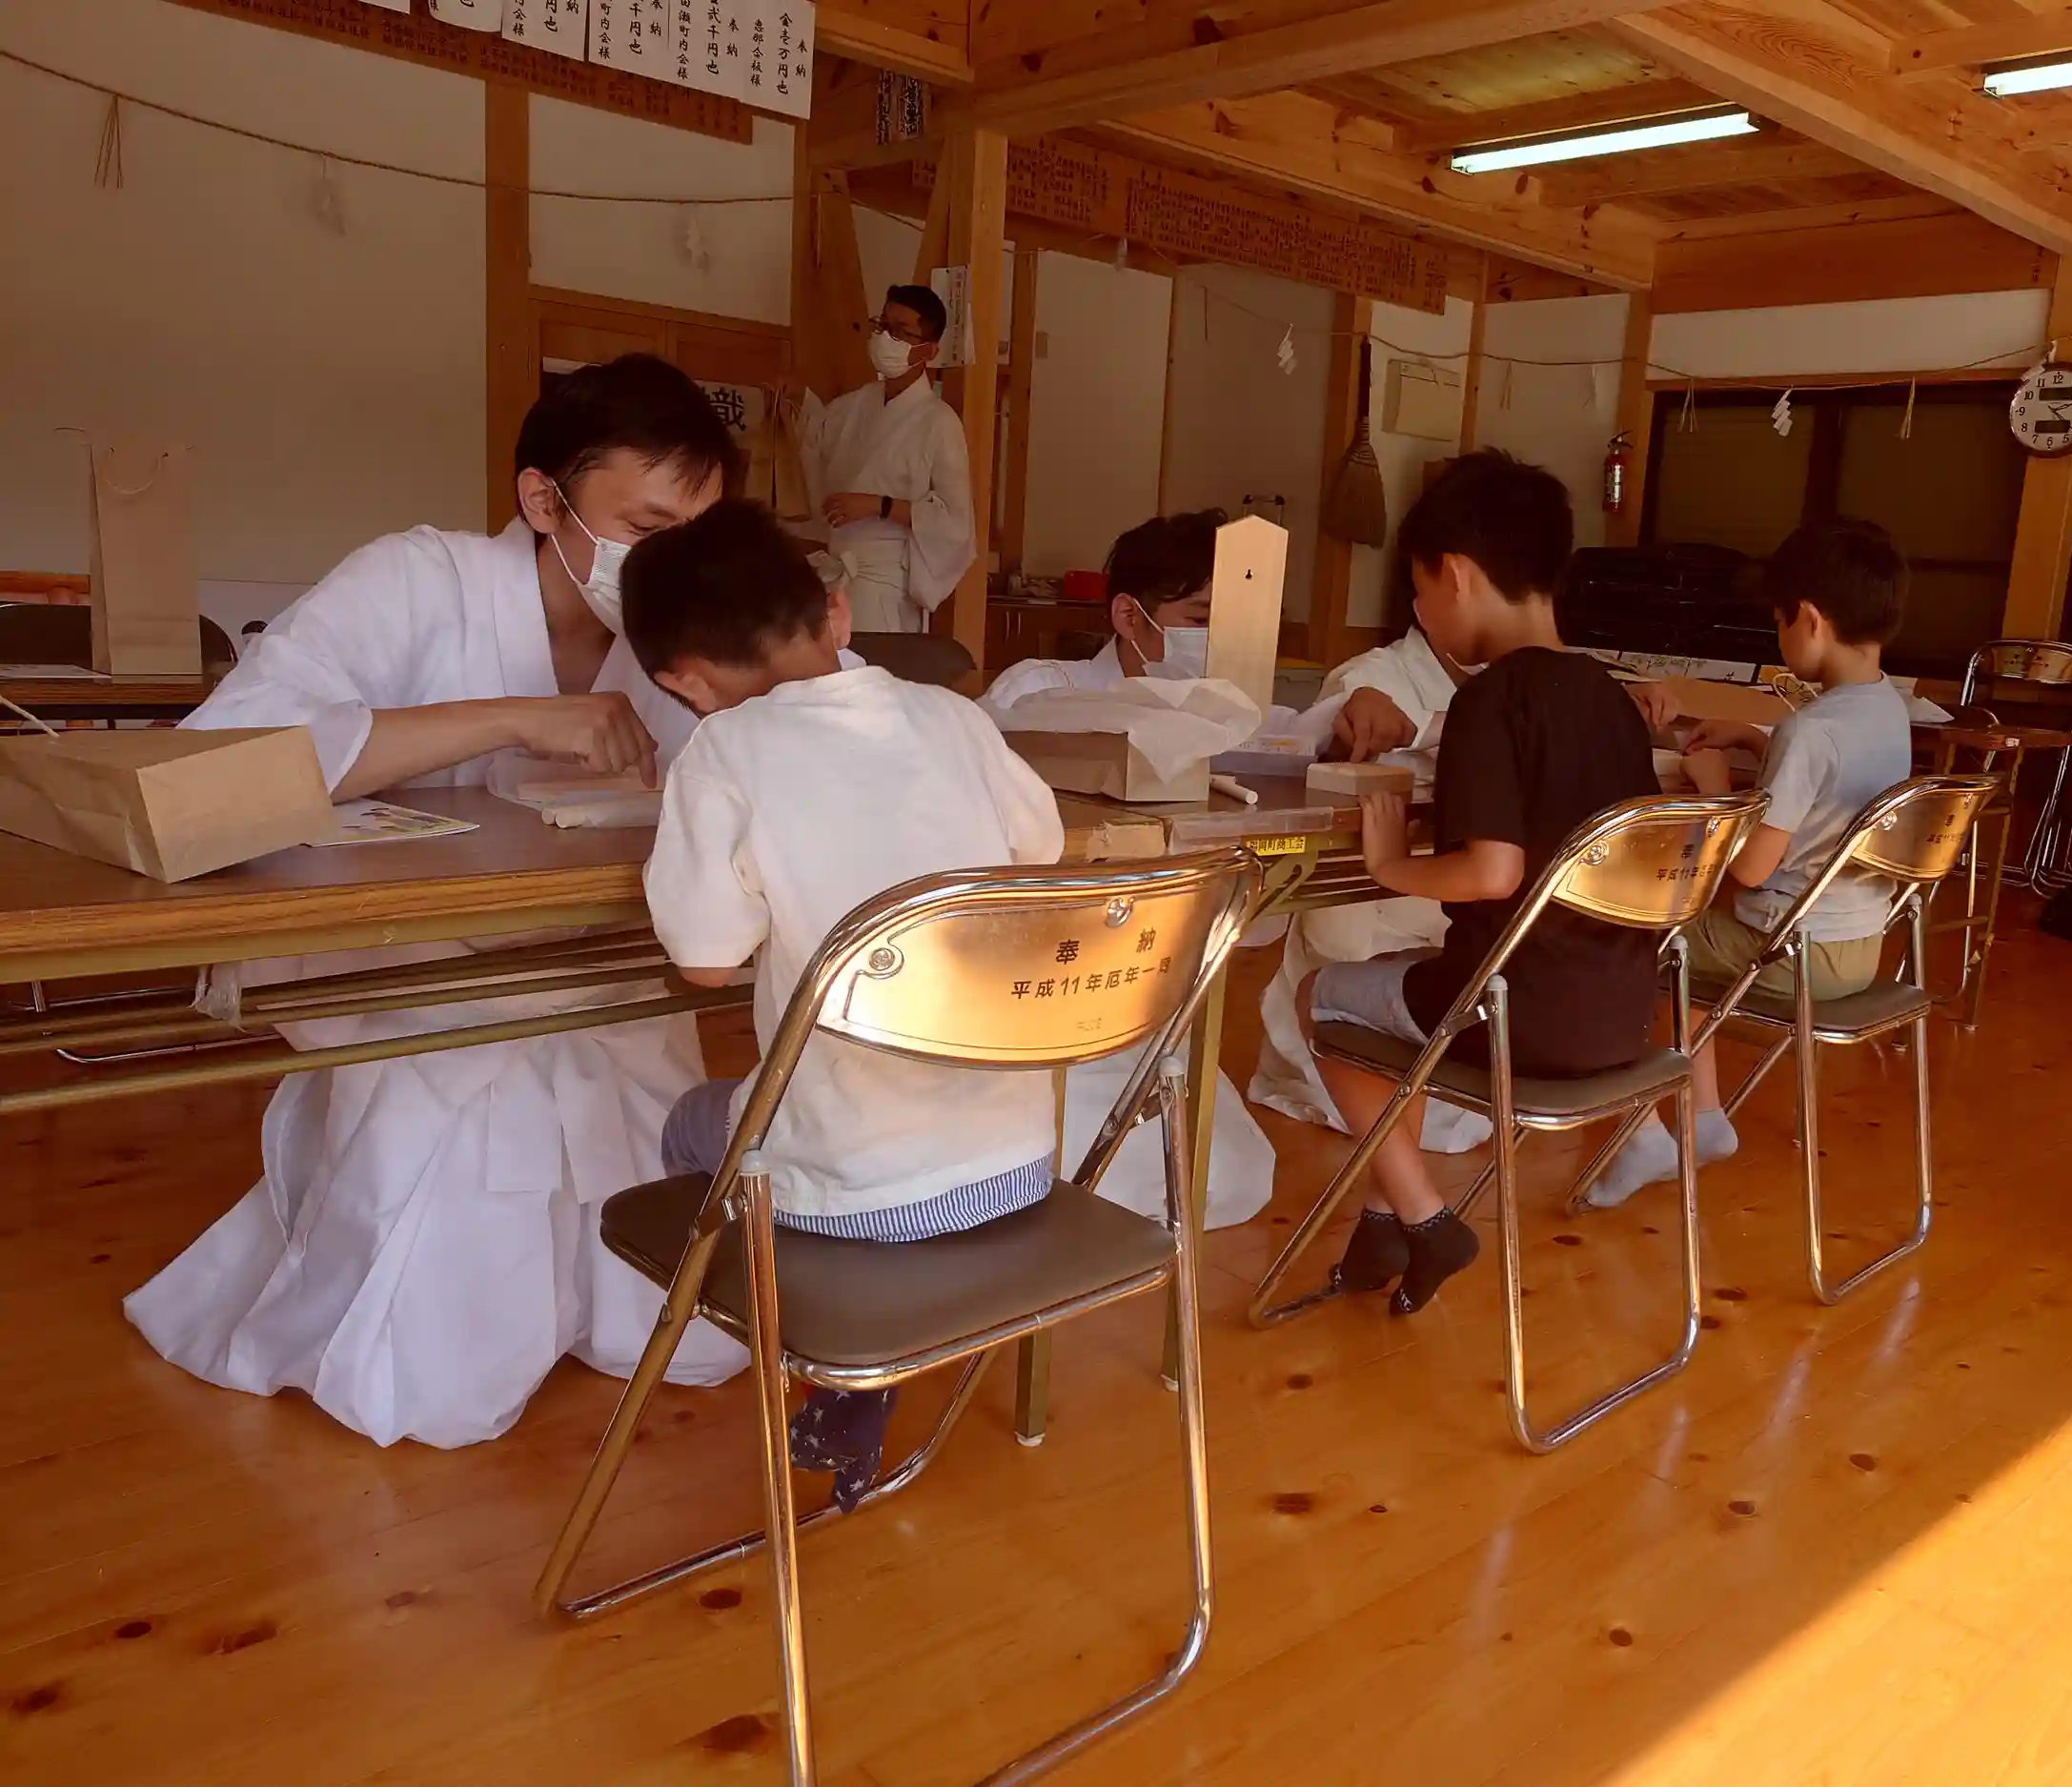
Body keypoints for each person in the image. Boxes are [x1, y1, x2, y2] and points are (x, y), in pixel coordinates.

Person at [125, 354, 753, 1449]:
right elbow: (219, 756)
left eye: (696, 535)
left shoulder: (678, 638)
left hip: (604, 964)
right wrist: (510, 716)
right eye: (646, 529)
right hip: (410, 961)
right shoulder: (417, 579)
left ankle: (597, 1301)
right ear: (544, 500)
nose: (672, 565)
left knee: (687, 1321)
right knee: (437, 1368)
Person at [625, 499, 1064, 1508]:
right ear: (833, 611)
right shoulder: (954, 717)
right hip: (1019, 1165)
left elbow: (704, 960)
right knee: (815, 1109)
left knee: (693, 1122)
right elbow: (1038, 850)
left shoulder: (723, 753)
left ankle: (830, 1339)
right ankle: (861, 1331)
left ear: (682, 680)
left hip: (862, 1194)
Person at [1300, 451, 1659, 1313]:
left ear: (1457, 575)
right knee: (1398, 996)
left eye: (1421, 589)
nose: (1422, 612)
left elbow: (1491, 871)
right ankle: (1382, 1223)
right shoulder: (1613, 700)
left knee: (1325, 998)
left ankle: (1427, 1218)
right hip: (1624, 1014)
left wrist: (1389, 865)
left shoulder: (1490, 701)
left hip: (1515, 1015)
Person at [1584, 519, 1913, 1207]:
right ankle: (1704, 1121)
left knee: (1631, 939)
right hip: (1859, 945)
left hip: (1790, 952)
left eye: (1779, 621)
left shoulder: (1809, 729)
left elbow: (1751, 870)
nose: (1778, 635)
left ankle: (1643, 1132)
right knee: (1690, 954)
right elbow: (1831, 779)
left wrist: (1712, 788)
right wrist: (1755, 740)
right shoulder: (1889, 709)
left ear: (1810, 620)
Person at [980, 509, 1279, 1229]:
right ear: (1129, 615)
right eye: (1200, 619)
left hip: (1151, 979)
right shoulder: (1040, 690)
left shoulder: (1234, 719)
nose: (1218, 642)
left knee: (1225, 1180)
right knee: (1053, 1179)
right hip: (1035, 973)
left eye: (1235, 624)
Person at [800, 284, 975, 635]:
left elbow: (955, 524)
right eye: (882, 325)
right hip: (834, 579)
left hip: (883, 587)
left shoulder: (940, 422)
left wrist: (879, 506)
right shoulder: (853, 406)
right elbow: (813, 444)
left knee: (873, 668)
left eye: (899, 331)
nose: (884, 337)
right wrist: (793, 404)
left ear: (928, 350)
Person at [980, 509, 1224, 704]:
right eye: (1201, 620)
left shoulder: (1227, 710)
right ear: (1129, 616)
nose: (1222, 637)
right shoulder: (1036, 694)